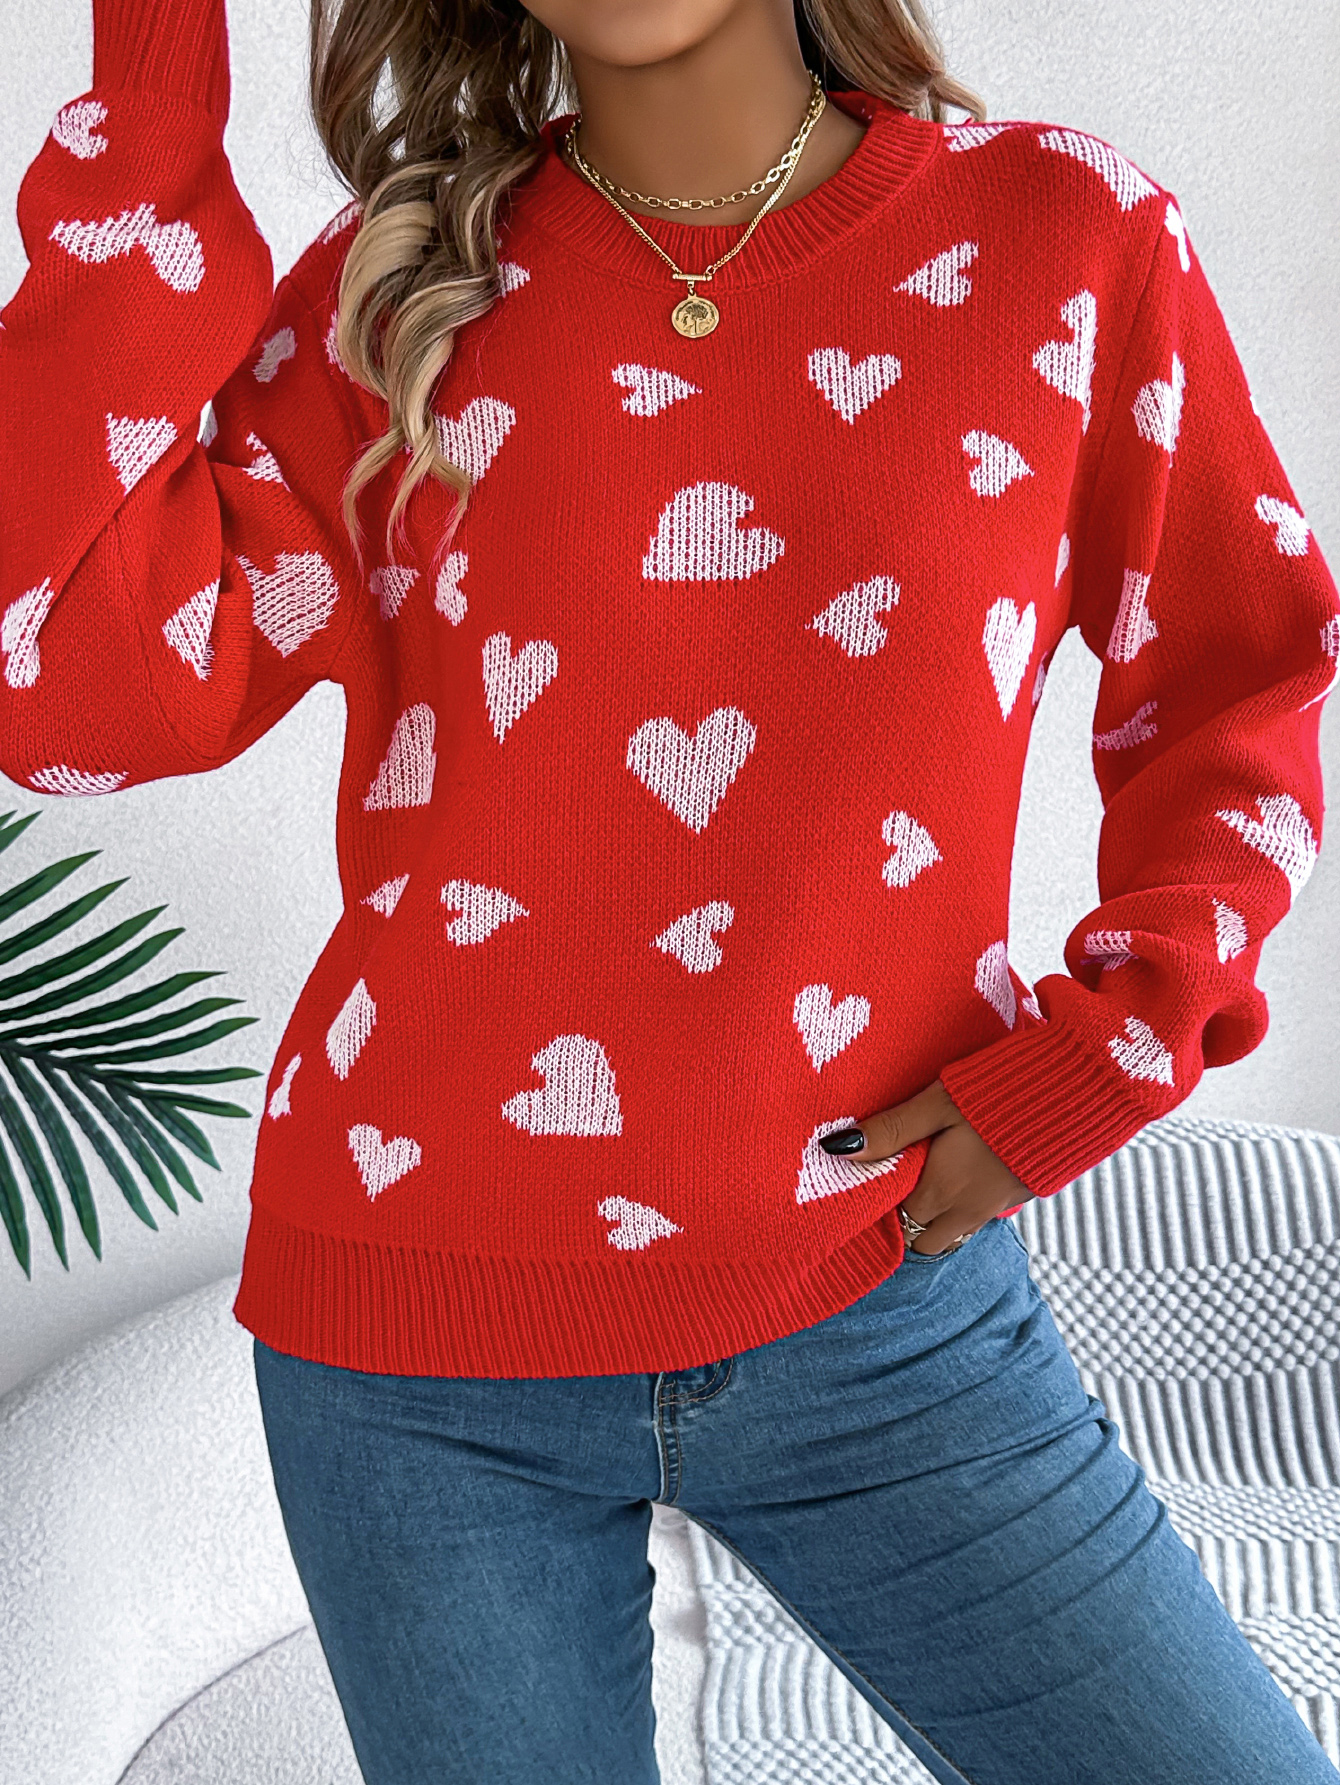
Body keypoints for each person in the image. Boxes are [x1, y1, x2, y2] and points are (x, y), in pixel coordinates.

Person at [3, 0, 1338, 1778]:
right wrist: (153, 96)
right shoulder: (400, 299)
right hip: (416, 1352)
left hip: (878, 1300)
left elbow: (1244, 670)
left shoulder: (1062, 238)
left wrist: (1112, 1051)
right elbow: (59, 684)